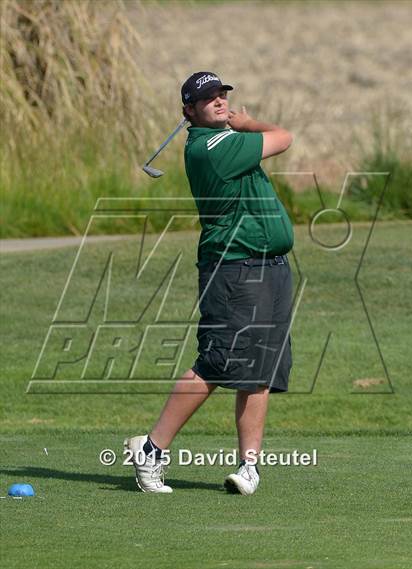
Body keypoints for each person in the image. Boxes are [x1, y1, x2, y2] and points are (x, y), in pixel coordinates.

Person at [124, 71, 294, 495]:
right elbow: (284, 137)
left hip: (269, 265)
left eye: (222, 95)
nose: (219, 101)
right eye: (208, 99)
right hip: (234, 268)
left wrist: (240, 126)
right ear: (189, 112)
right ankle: (150, 448)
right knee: (217, 361)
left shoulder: (223, 141)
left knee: (259, 369)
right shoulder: (213, 146)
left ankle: (249, 467)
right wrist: (248, 122)